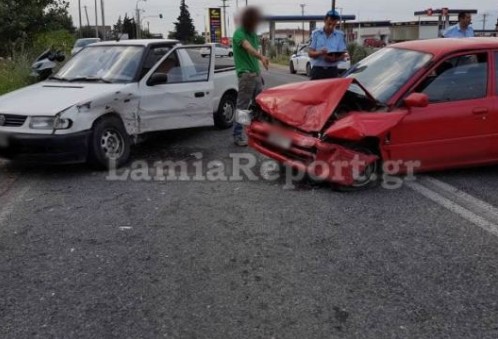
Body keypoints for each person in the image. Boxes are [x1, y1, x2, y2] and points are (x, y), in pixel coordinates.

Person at [232, 7, 269, 147]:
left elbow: (253, 54)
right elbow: (247, 48)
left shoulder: (253, 34)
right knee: (242, 107)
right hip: (246, 75)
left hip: (256, 75)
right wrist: (261, 57)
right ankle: (237, 134)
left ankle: (257, 133)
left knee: (258, 106)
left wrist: (259, 72)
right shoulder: (239, 33)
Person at [308, 10, 347, 80]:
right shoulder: (316, 34)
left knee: (333, 91)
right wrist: (320, 53)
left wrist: (335, 58)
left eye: (334, 25)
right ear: (325, 21)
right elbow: (310, 53)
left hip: (332, 71)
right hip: (317, 70)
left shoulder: (340, 35)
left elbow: (343, 55)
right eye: (329, 24)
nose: (331, 27)